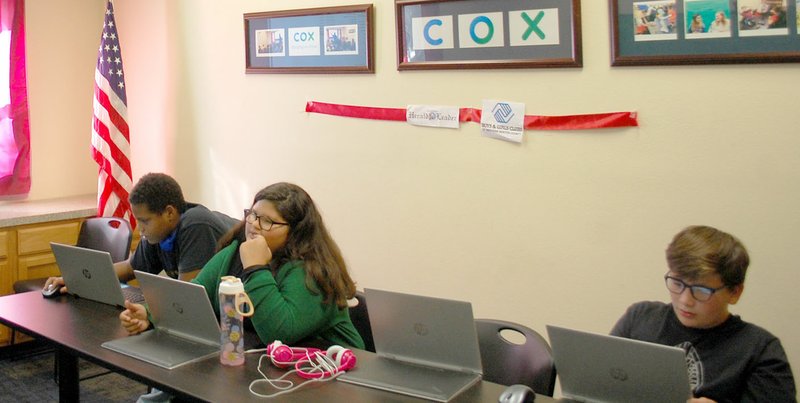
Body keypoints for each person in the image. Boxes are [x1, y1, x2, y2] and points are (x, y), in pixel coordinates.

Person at [120, 182, 364, 349]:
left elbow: (278, 333)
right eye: (253, 215)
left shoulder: (312, 271)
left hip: (332, 377)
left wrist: (256, 268)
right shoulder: (234, 252)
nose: (254, 225)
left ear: (296, 231)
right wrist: (151, 314)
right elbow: (194, 296)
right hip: (269, 370)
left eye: (268, 221)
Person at [611, 225, 796, 402]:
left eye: (701, 290)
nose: (685, 300)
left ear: (734, 292)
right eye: (677, 283)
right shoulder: (640, 318)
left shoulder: (759, 349)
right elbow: (601, 383)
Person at [44, 172, 237, 293]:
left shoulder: (196, 225)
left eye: (145, 221)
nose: (140, 228)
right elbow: (130, 268)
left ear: (169, 213)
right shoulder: (159, 232)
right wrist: (76, 279)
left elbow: (187, 294)